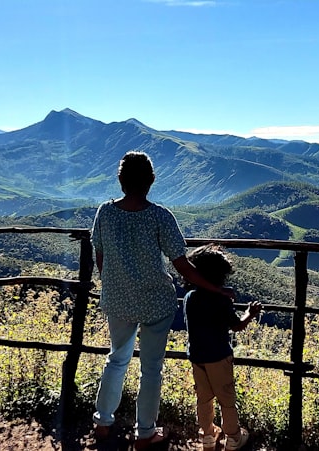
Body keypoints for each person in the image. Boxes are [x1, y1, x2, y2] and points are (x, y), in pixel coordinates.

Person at [90, 151, 234, 450]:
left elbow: (100, 256)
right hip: (156, 302)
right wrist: (217, 290)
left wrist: (114, 285)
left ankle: (102, 423)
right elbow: (183, 266)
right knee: (151, 368)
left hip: (117, 300)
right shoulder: (159, 216)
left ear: (120, 180)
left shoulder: (105, 212)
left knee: (116, 360)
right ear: (151, 181)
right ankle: (145, 433)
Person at [183, 244, 262, 451]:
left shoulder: (190, 298)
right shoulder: (221, 300)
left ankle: (207, 436)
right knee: (226, 398)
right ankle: (233, 437)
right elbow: (236, 326)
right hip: (219, 356)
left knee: (204, 398)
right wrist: (249, 313)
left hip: (197, 356)